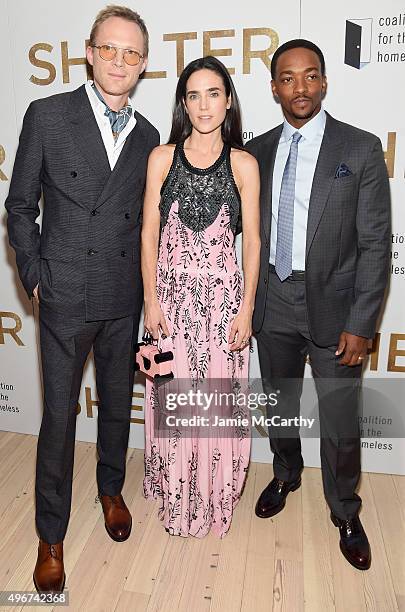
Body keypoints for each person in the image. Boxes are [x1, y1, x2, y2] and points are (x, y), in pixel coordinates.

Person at [5, 5, 159, 593]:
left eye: (132, 53)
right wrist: (38, 277)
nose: (119, 61)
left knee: (118, 405)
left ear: (142, 64)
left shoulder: (148, 136)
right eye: (109, 49)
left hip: (124, 294)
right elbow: (20, 208)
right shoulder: (48, 115)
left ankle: (112, 488)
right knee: (60, 418)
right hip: (66, 292)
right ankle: (50, 533)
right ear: (89, 53)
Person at [246, 39, 390, 570]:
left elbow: (376, 242)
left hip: (336, 308)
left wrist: (362, 323)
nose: (299, 87)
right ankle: (285, 473)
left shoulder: (360, 147)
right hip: (272, 301)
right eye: (288, 78)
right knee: (279, 404)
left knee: (339, 419)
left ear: (324, 82)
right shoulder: (256, 151)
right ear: (275, 87)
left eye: (310, 76)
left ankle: (345, 510)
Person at [141, 56, 260, 537]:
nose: (203, 104)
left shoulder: (244, 163)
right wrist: (150, 301)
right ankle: (174, 491)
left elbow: (252, 240)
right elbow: (148, 234)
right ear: (183, 104)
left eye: (213, 93)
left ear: (228, 100)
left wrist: (248, 306)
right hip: (169, 301)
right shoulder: (161, 158)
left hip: (223, 305)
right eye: (193, 95)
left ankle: (213, 497)